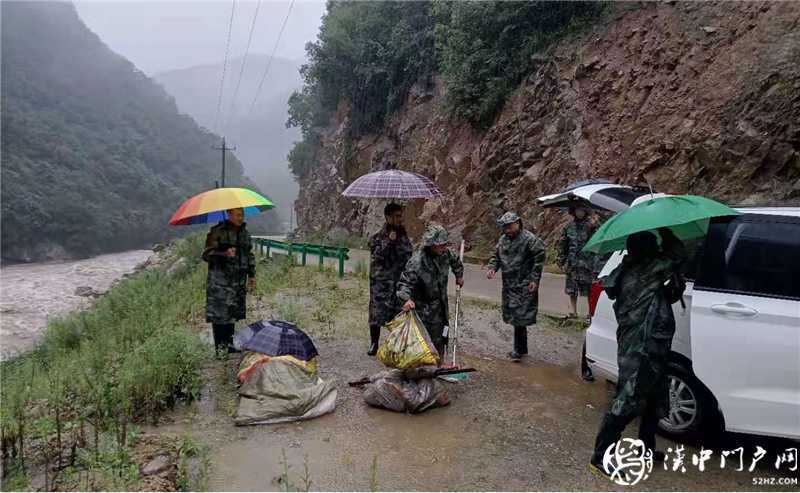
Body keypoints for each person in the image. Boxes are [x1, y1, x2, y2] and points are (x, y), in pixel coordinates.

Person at [589, 228, 686, 479]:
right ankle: (600, 457)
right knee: (628, 398)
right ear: (647, 250)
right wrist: (666, 229)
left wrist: (675, 284)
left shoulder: (631, 269)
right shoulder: (647, 268)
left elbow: (662, 298)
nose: (657, 248)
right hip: (641, 346)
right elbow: (677, 253)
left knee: (653, 397)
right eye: (653, 244)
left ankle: (646, 448)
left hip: (652, 342)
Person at [396, 224, 464, 360]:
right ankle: (419, 366)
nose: (444, 247)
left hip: (440, 306)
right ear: (431, 245)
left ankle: (438, 364)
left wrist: (459, 275)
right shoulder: (417, 262)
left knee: (441, 336)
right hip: (423, 309)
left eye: (445, 244)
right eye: (441, 245)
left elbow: (456, 261)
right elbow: (404, 283)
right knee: (423, 339)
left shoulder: (445, 253)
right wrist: (406, 299)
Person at [486, 212, 546, 362]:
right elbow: (496, 256)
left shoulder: (529, 239)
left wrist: (534, 279)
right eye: (505, 227)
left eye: (510, 226)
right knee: (514, 315)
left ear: (518, 223)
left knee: (520, 316)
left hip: (524, 283)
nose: (507, 229)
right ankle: (521, 348)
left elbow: (539, 258)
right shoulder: (503, 240)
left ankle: (518, 350)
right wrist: (493, 268)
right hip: (509, 283)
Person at [201, 208, 256, 355]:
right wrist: (224, 254)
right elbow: (206, 255)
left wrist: (252, 275)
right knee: (219, 315)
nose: (241, 218)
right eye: (238, 215)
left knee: (232, 312)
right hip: (220, 282)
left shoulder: (244, 233)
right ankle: (220, 348)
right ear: (229, 214)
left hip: (238, 281)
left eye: (242, 215)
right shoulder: (217, 232)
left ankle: (230, 344)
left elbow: (249, 255)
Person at [557, 205, 599, 381]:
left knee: (589, 289)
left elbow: (598, 242)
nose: (580, 213)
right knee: (572, 288)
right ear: (573, 212)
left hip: (587, 262)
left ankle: (590, 311)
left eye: (583, 210)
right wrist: (561, 259)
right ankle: (573, 311)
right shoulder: (568, 227)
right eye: (577, 210)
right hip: (573, 262)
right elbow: (563, 243)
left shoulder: (591, 225)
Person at [367, 203, 413, 355]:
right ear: (388, 217)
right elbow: (377, 256)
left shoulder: (403, 235)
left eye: (401, 216)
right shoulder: (377, 237)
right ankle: (374, 343)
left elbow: (408, 254)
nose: (400, 219)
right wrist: (389, 241)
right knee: (376, 313)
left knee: (398, 312)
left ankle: (396, 344)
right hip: (381, 282)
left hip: (399, 281)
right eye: (396, 216)